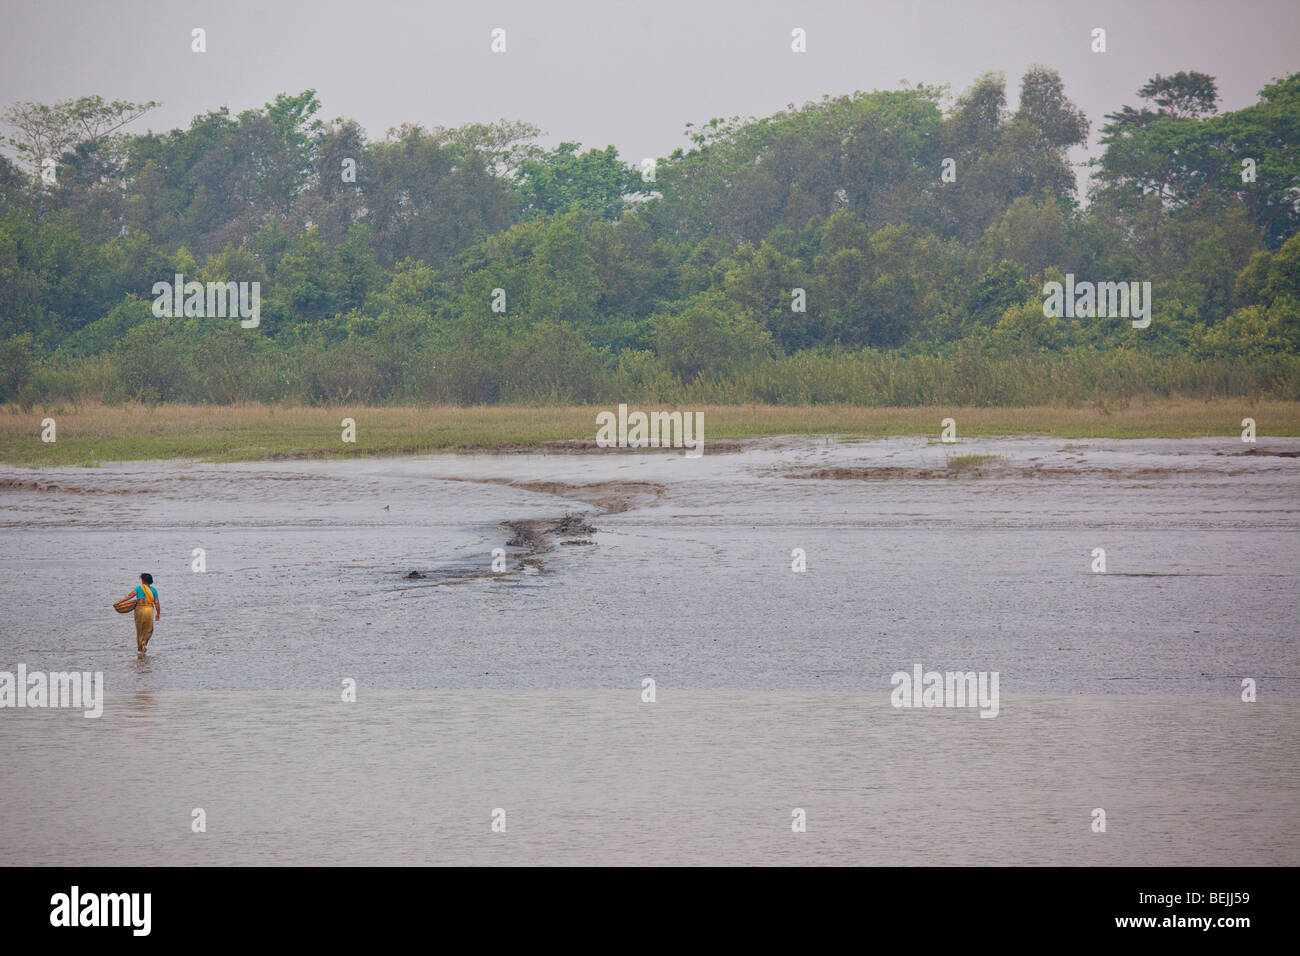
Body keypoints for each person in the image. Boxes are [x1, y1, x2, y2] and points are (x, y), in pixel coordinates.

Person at [121, 573, 160, 653]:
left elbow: (130, 596)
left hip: (139, 609)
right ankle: (144, 643)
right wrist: (158, 613)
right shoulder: (153, 590)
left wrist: (120, 602)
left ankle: (140, 646)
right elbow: (156, 602)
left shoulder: (139, 588)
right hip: (149, 610)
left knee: (139, 629)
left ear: (143, 580)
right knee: (149, 629)